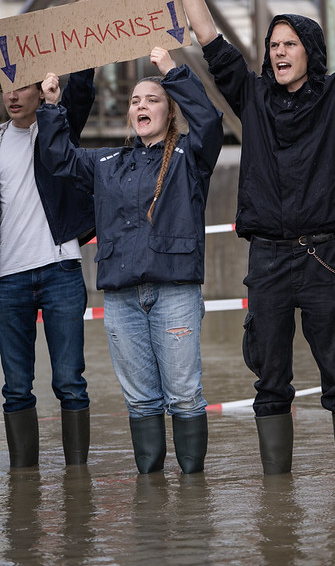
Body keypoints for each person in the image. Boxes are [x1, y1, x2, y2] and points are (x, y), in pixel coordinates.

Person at [160, 0, 335, 475]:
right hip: (266, 259)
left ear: (310, 50)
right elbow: (209, 38)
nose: (279, 51)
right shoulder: (252, 96)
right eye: (273, 44)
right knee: (270, 379)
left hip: (323, 257)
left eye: (290, 43)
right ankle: (276, 497)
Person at [36, 47, 223, 475]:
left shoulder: (190, 157)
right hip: (121, 299)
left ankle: (193, 494)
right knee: (140, 400)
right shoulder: (107, 163)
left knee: (184, 395)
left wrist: (173, 72)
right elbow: (59, 157)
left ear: (170, 112)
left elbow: (210, 121)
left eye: (152, 100)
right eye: (136, 100)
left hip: (175, 293)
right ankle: (151, 493)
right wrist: (51, 106)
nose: (142, 106)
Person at [0, 0, 96, 469]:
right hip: (7, 278)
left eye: (22, 86)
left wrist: (80, 2)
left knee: (69, 382)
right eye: (6, 86)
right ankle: (25, 480)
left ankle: (77, 480)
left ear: (42, 89)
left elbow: (82, 79)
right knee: (15, 387)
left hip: (60, 271)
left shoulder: (58, 129)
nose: (13, 94)